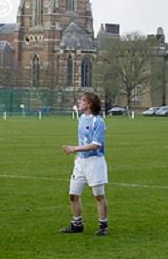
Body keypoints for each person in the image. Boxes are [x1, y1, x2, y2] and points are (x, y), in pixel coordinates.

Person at [60, 92, 109, 236]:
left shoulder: (98, 122)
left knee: (99, 196)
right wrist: (78, 154)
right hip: (81, 162)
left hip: (95, 162)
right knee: (73, 195)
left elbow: (96, 145)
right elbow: (84, 140)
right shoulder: (81, 118)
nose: (79, 102)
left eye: (82, 100)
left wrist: (74, 148)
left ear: (90, 104)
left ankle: (103, 225)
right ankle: (77, 224)